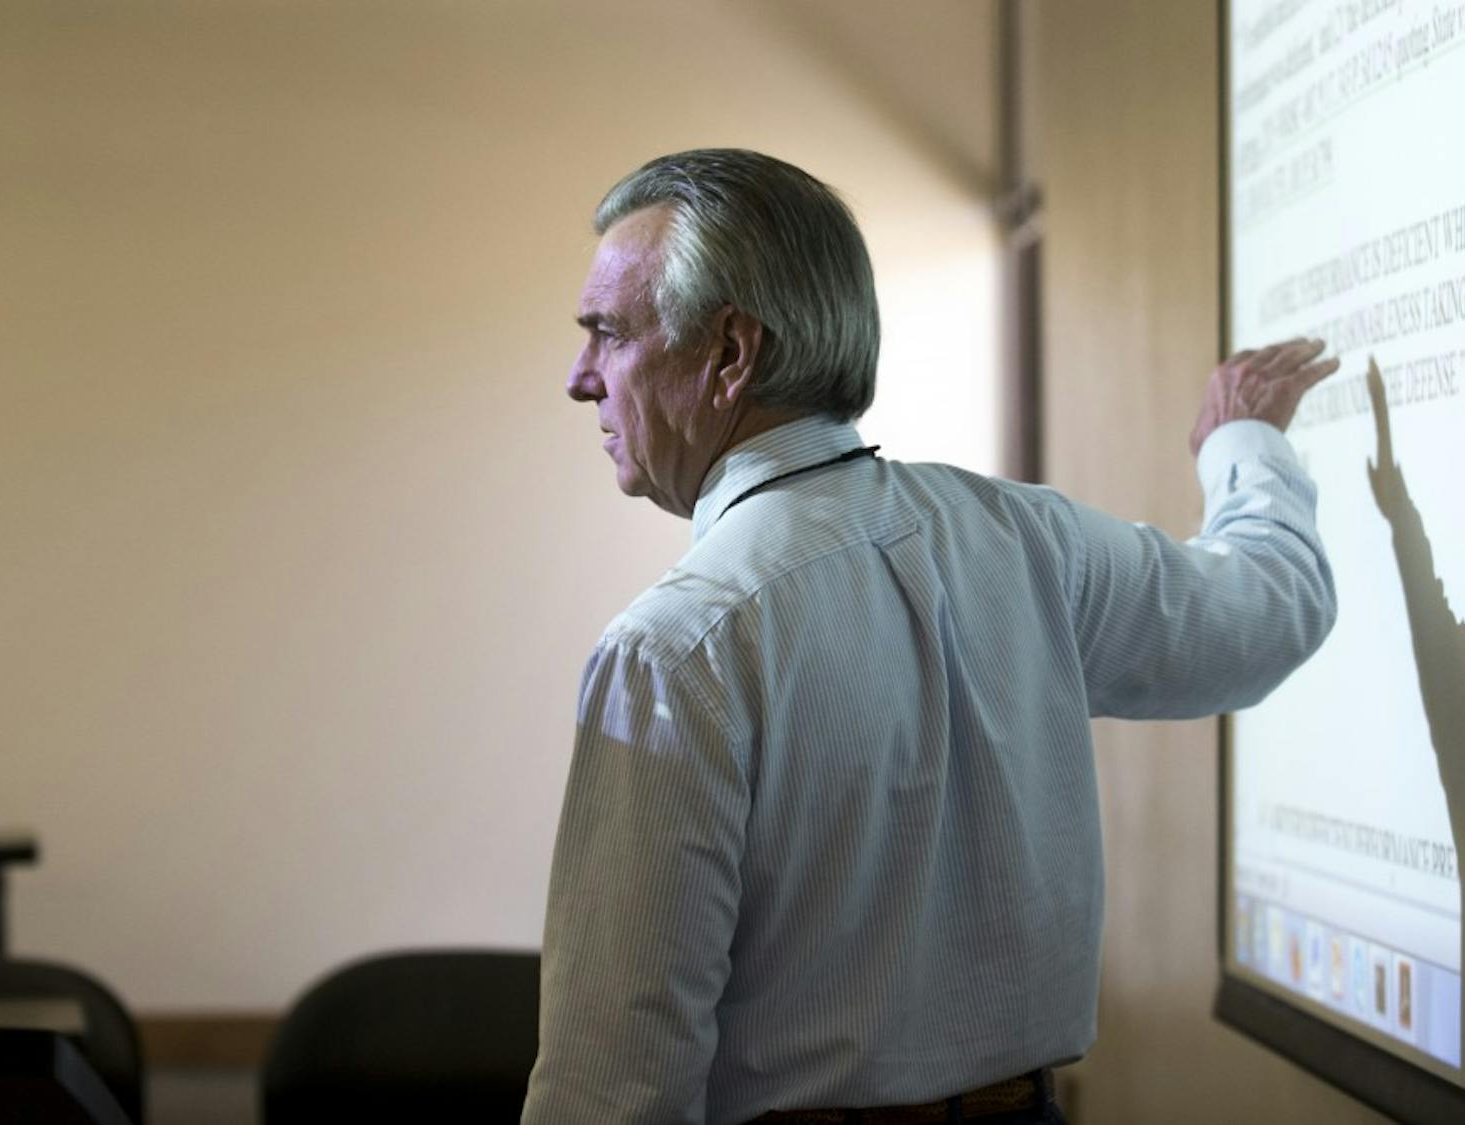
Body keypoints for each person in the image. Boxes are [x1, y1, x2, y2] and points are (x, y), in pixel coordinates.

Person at [521, 148, 1339, 1125]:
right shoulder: (1031, 541)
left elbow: (613, 1092)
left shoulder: (674, 651)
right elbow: (1267, 613)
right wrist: (1244, 443)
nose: (581, 380)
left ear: (731, 354)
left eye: (608, 334)